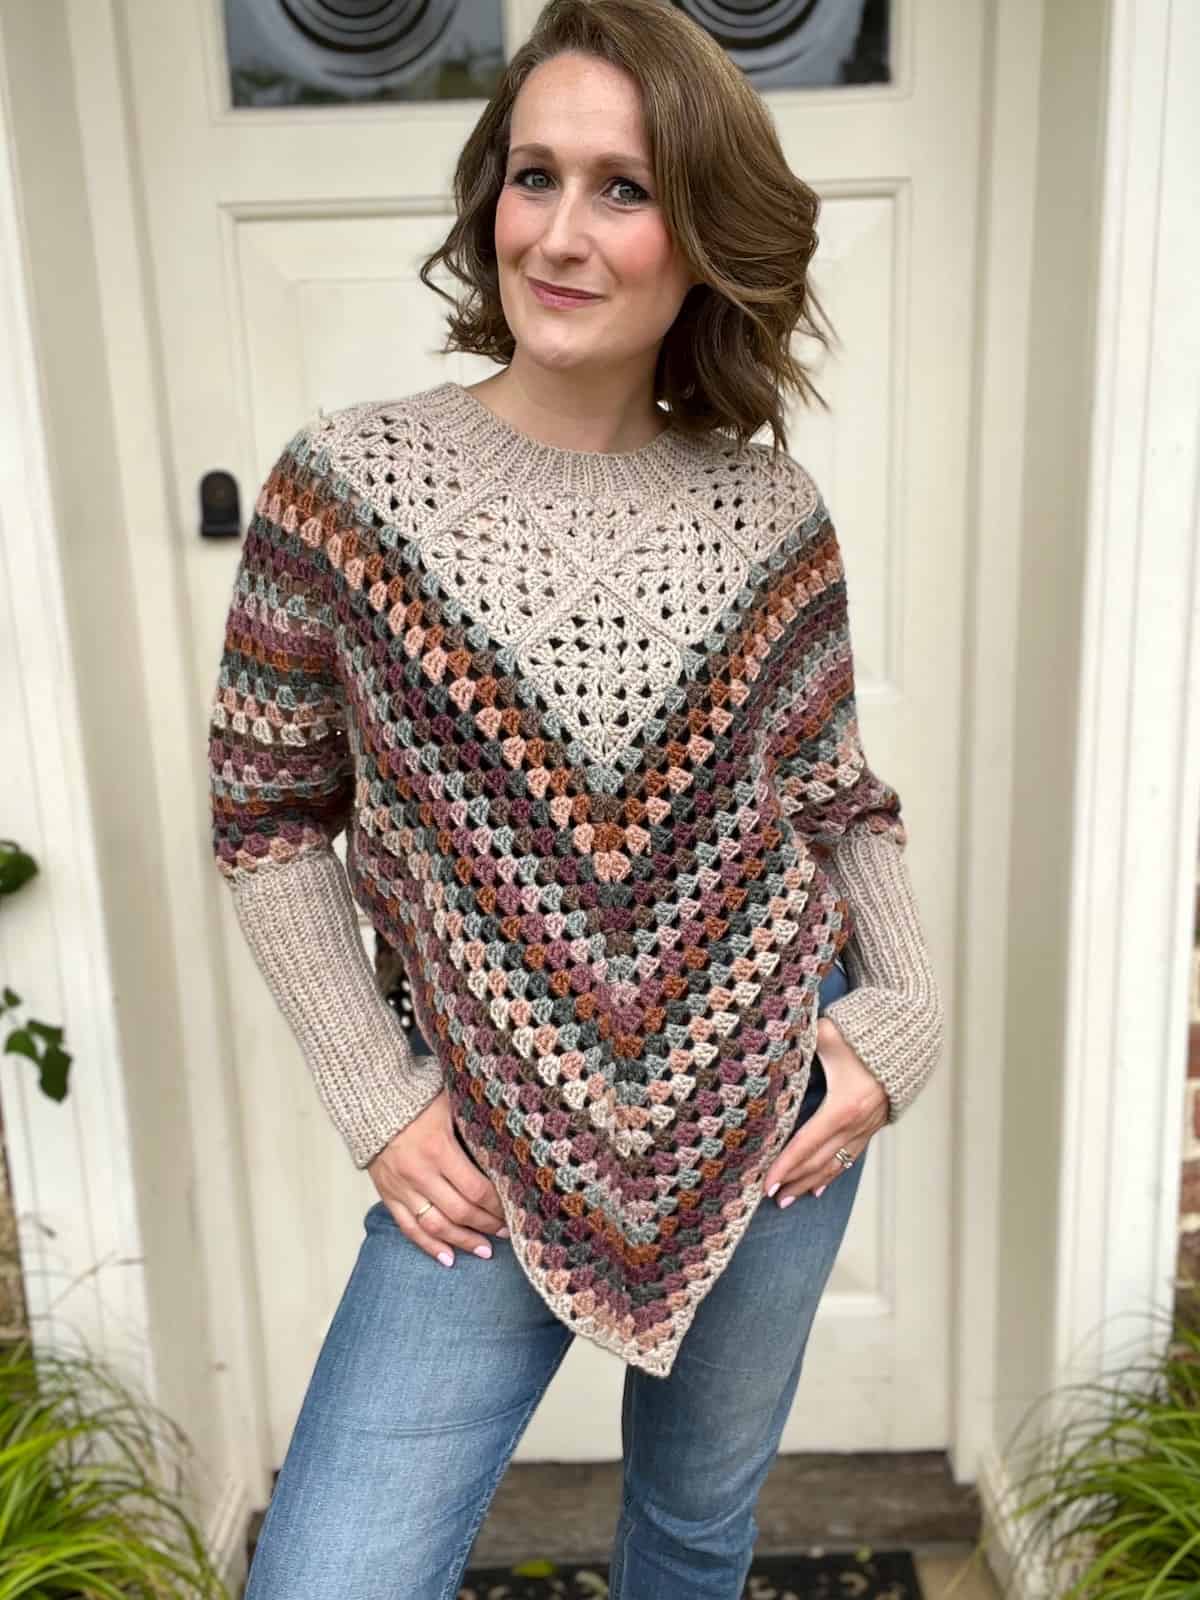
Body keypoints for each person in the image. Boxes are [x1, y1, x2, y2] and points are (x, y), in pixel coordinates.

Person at [207, 1, 944, 1594]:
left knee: (694, 1532)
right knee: (327, 1573)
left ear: (704, 234)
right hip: (480, 1137)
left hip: (770, 1103)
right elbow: (267, 821)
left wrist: (903, 1025)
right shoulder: (344, 489)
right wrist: (379, 1095)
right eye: (531, 175)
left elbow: (835, 796)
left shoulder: (766, 509)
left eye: (622, 186)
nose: (558, 230)